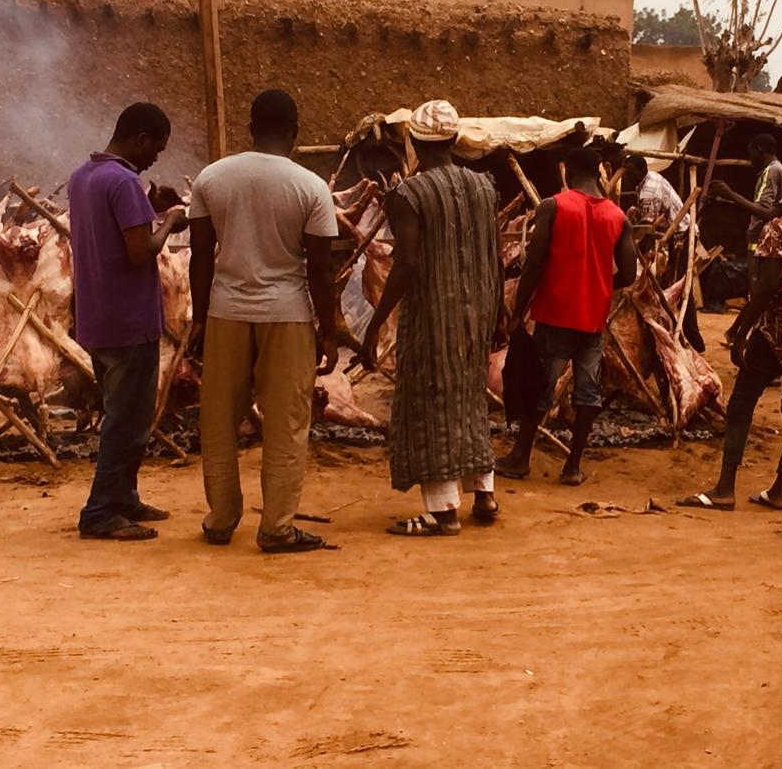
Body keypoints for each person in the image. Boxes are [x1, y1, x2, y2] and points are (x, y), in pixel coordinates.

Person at [188, 90, 339, 554]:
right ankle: (276, 527)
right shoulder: (311, 187)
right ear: (295, 133)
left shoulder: (212, 179)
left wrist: (198, 320)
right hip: (287, 315)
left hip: (225, 312)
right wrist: (328, 331)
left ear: (250, 128)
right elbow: (319, 268)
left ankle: (220, 520)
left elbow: (200, 260)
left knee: (218, 422)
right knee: (287, 424)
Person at [357, 100, 502, 537]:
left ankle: (442, 512)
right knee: (469, 399)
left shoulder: (409, 194)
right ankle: (485, 494)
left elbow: (406, 263)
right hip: (477, 312)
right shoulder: (483, 187)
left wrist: (376, 320)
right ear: (455, 141)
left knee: (430, 400)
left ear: (415, 142)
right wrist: (497, 313)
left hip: (432, 314)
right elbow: (493, 255)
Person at [678, 165, 782, 511]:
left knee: (742, 404)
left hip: (774, 333)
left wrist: (740, 330)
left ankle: (726, 487)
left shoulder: (778, 230)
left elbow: (767, 286)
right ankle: (780, 490)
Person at [70, 103, 188, 540]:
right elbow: (140, 251)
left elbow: (111, 229)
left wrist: (148, 207)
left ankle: (125, 497)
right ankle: (100, 511)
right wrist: (170, 221)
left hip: (98, 316)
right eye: (156, 148)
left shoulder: (85, 175)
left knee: (125, 414)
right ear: (140, 139)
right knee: (127, 420)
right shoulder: (122, 181)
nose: (156, 157)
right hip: (128, 319)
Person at [495, 147, 637, 486]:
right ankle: (572, 466)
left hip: (556, 313)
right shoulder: (618, 217)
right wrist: (600, 284)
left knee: (541, 387)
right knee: (588, 392)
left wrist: (517, 311)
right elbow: (629, 274)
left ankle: (520, 457)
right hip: (593, 319)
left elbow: (533, 264)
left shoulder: (555, 207)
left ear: (569, 172)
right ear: (600, 174)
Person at [622, 153, 705, 352]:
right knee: (673, 288)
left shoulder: (649, 191)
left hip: (682, 237)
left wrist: (635, 258)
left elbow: (647, 232)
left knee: (680, 290)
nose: (626, 175)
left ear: (641, 170)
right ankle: (679, 334)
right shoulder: (649, 178)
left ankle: (694, 341)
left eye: (629, 171)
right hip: (679, 234)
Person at [709, 134, 782, 344]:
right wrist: (724, 199)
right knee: (757, 290)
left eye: (751, 151)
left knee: (758, 290)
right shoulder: (776, 171)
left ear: (759, 149)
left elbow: (764, 212)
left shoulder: (771, 171)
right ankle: (736, 332)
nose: (749, 157)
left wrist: (730, 193)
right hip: (761, 239)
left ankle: (748, 339)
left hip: (760, 242)